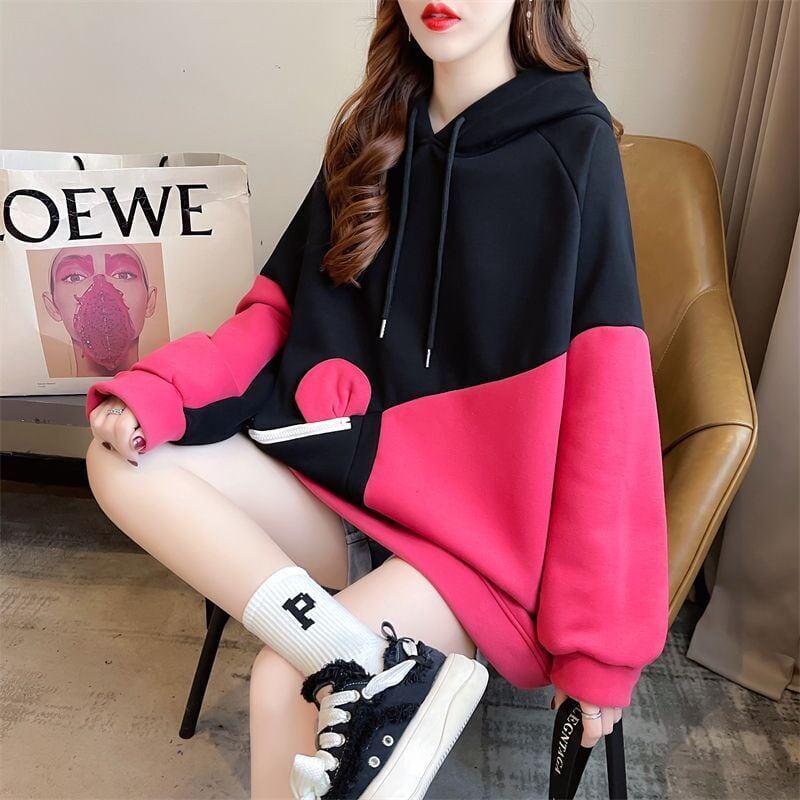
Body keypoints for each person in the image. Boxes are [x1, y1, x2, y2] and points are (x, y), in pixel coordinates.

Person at [84, 1, 670, 798]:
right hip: (348, 491)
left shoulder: (574, 146)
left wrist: (600, 647)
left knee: (281, 683)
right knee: (120, 458)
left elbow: (609, 405)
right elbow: (277, 313)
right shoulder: (372, 134)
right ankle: (353, 661)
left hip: (475, 541)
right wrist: (161, 393)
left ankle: (346, 669)